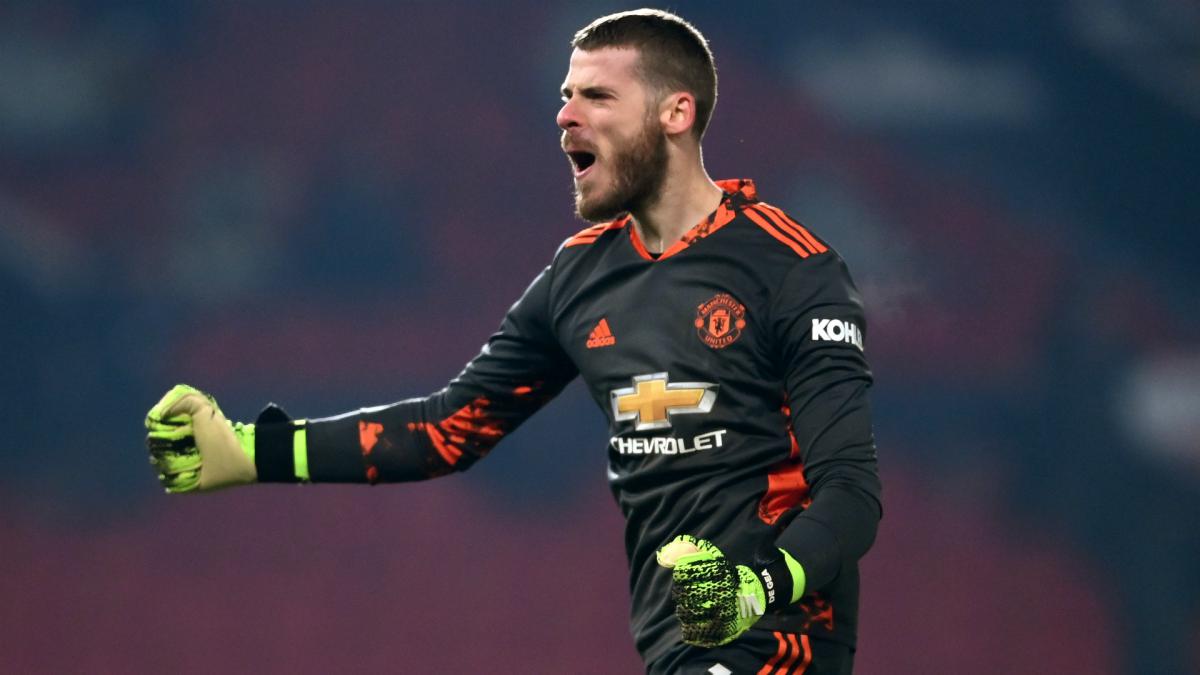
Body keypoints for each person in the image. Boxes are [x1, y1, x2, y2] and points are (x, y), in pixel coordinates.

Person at [145, 9, 881, 674]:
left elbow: (850, 493)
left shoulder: (789, 268)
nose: (566, 115)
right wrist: (250, 451)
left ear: (675, 114)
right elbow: (446, 430)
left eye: (597, 97)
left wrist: (755, 588)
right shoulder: (580, 276)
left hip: (782, 642)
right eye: (566, 96)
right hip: (676, 649)